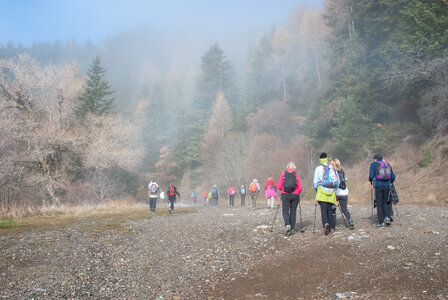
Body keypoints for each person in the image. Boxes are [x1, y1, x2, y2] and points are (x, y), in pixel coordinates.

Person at [313, 152, 339, 235]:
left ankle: (325, 224)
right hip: (331, 192)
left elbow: (315, 182)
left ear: (320, 159)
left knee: (323, 210)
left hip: (322, 192)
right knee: (330, 210)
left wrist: (316, 190)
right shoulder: (331, 167)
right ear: (326, 159)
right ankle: (332, 227)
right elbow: (337, 180)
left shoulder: (318, 169)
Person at [369, 154, 396, 228]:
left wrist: (371, 182)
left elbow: (371, 176)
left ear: (375, 159)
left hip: (378, 185)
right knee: (385, 202)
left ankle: (381, 222)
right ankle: (387, 217)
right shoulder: (387, 164)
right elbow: (393, 177)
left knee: (379, 203)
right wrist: (389, 182)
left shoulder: (373, 164)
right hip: (387, 186)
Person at [277, 162, 303, 236]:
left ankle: (287, 225)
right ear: (294, 168)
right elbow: (300, 187)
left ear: (287, 167)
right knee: (293, 212)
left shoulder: (283, 174)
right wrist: (298, 191)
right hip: (295, 195)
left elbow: (279, 186)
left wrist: (282, 190)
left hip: (285, 195)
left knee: (285, 212)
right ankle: (293, 228)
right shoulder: (296, 174)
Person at [332, 159, 354, 230]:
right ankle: (350, 220)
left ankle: (334, 225)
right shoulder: (342, 171)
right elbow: (345, 180)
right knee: (344, 209)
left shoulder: (333, 172)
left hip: (337, 193)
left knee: (333, 208)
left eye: (332, 164)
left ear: (334, 165)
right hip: (344, 192)